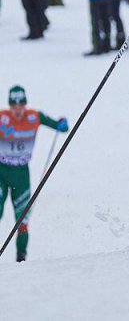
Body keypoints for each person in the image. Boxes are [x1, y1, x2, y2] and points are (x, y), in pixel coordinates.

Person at [0, 85, 69, 262]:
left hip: (21, 174)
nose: (17, 110)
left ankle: (21, 258)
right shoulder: (2, 118)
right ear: (10, 105)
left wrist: (61, 124)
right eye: (13, 106)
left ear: (24, 104)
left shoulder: (34, 117)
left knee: (23, 219)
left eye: (20, 105)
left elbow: (60, 127)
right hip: (1, 171)